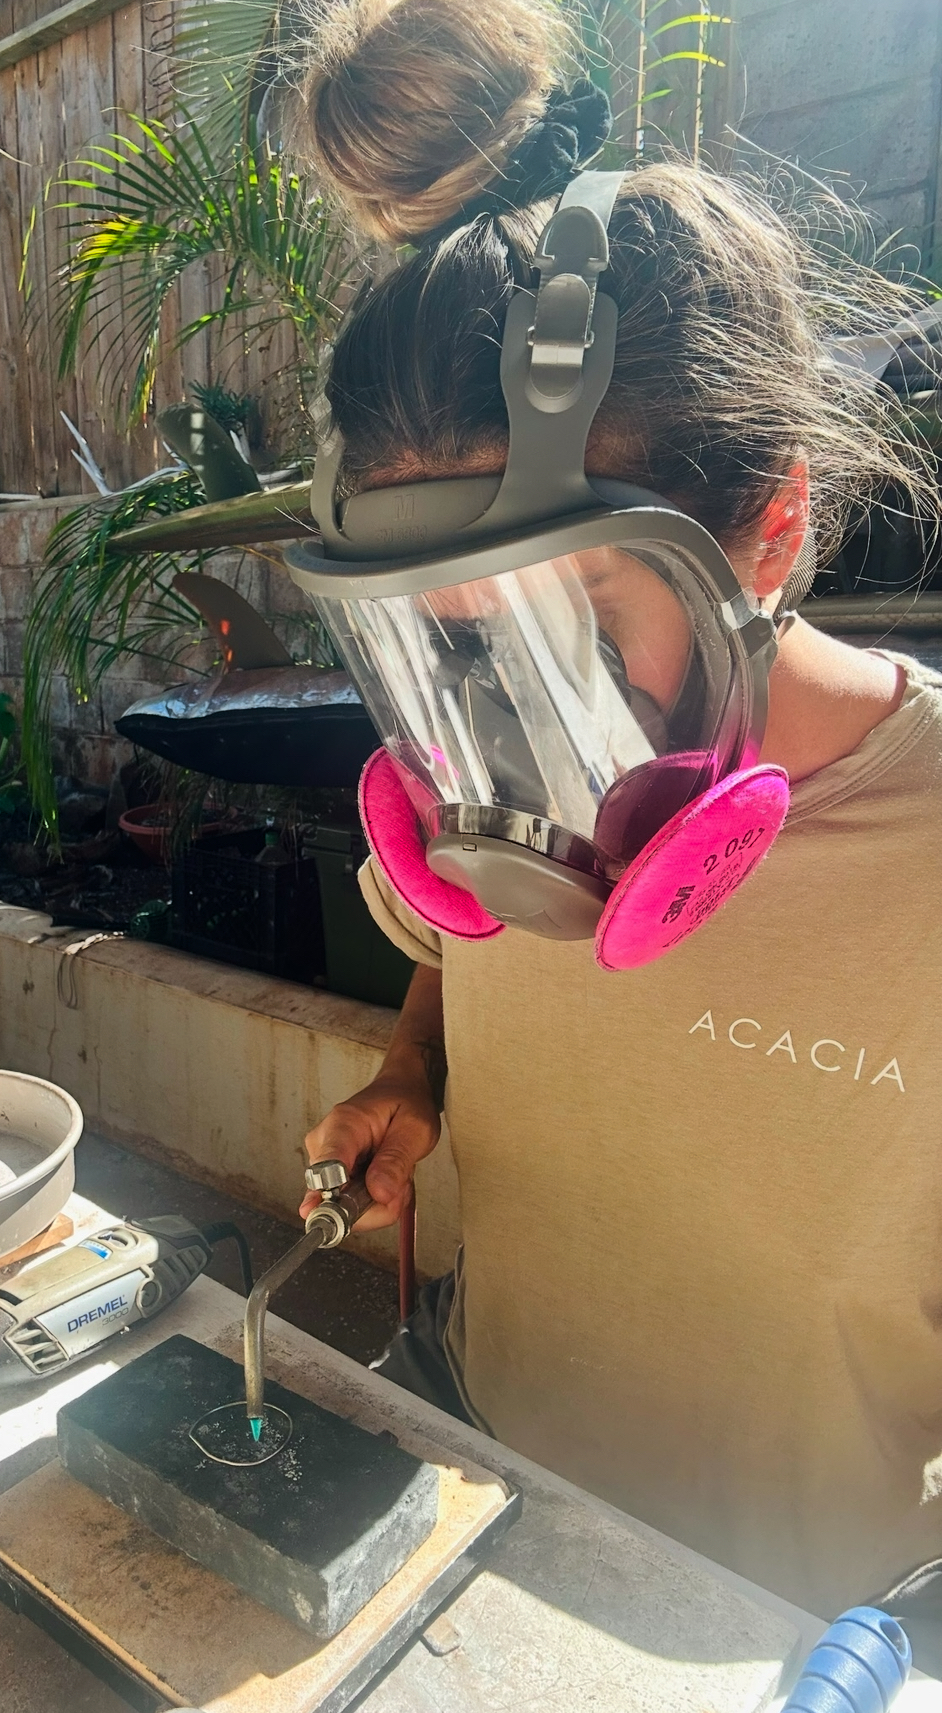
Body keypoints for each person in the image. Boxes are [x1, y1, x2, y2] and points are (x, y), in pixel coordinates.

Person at [291, 0, 942, 1619]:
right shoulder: (485, 825)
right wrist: (411, 1063)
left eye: (568, 627)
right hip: (474, 1494)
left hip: (784, 1629)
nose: (501, 743)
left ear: (770, 524)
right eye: (446, 646)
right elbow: (485, 934)